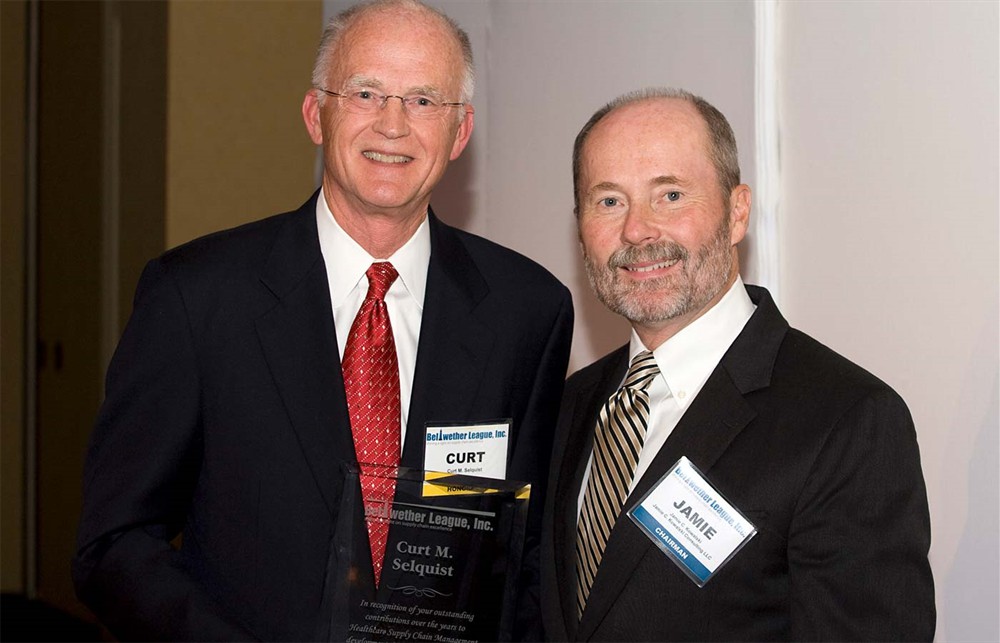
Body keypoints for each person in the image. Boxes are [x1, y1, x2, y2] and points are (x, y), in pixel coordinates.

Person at [73, 1, 572, 640]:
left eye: (424, 101)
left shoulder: (526, 311)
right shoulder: (196, 298)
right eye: (366, 92)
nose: (393, 125)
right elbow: (113, 544)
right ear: (316, 113)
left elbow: (525, 561)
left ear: (460, 132)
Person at [540, 88, 934, 641]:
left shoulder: (849, 421)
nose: (636, 230)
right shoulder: (570, 403)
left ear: (737, 212)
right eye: (609, 201)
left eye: (671, 195)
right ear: (580, 228)